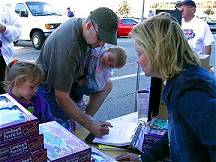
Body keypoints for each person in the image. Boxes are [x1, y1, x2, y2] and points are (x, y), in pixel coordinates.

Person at [116, 14, 216, 161]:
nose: (137, 61)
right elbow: (174, 135)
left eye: (140, 53)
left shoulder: (190, 88)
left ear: (157, 52)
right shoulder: (182, 80)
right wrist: (143, 159)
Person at [37, 7, 119, 137]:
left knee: (107, 84)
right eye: (100, 38)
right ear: (88, 26)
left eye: (105, 40)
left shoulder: (83, 27)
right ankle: (82, 125)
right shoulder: (68, 48)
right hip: (49, 89)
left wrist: (87, 121)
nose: (102, 44)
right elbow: (61, 96)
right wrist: (90, 124)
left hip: (72, 82)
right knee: (64, 134)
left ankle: (82, 123)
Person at [71, 46, 127, 111]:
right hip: (80, 71)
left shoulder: (105, 72)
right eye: (110, 59)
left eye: (111, 66)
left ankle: (79, 102)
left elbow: (98, 85)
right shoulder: (96, 51)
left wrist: (86, 81)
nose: (107, 63)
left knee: (79, 87)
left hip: (88, 82)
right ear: (108, 50)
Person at [181, 0, 215, 68]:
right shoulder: (177, 22)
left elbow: (208, 44)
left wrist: (205, 65)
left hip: (196, 62)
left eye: (183, 8)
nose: (181, 10)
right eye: (180, 8)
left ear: (193, 10)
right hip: (180, 62)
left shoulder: (202, 24)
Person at [0, 3, 22, 94]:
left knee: (4, 95)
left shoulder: (5, 11)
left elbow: (18, 34)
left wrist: (4, 28)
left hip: (2, 63)